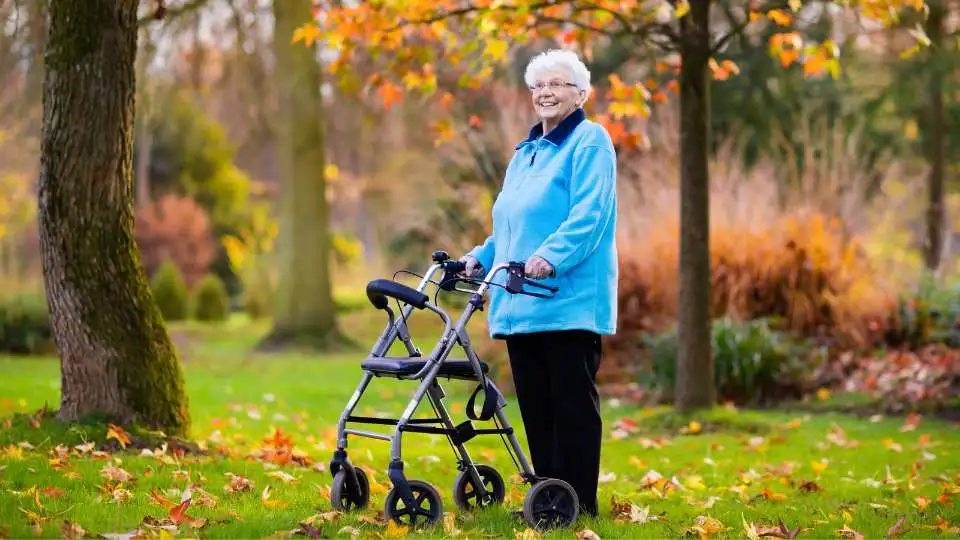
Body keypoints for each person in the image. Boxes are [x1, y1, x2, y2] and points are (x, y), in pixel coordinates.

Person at [458, 48, 618, 519]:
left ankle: (579, 504)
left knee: (571, 410)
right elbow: (508, 230)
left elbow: (589, 216)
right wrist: (478, 258)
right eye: (538, 86)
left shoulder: (590, 142)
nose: (546, 93)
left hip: (566, 301)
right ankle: (550, 500)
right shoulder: (525, 154)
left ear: (581, 93)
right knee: (537, 410)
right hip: (520, 301)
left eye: (557, 84)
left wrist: (549, 256)